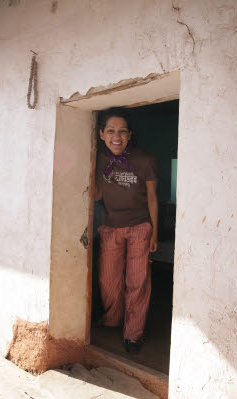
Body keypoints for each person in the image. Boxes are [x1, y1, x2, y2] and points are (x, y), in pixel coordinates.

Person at [95, 107, 158, 353]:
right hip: (110, 227)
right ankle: (113, 319)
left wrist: (155, 233)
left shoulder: (145, 161)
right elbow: (99, 193)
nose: (116, 136)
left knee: (137, 282)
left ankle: (133, 334)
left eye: (122, 131)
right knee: (108, 280)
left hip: (140, 228)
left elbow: (152, 198)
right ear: (101, 134)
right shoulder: (98, 159)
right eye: (110, 130)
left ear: (130, 134)